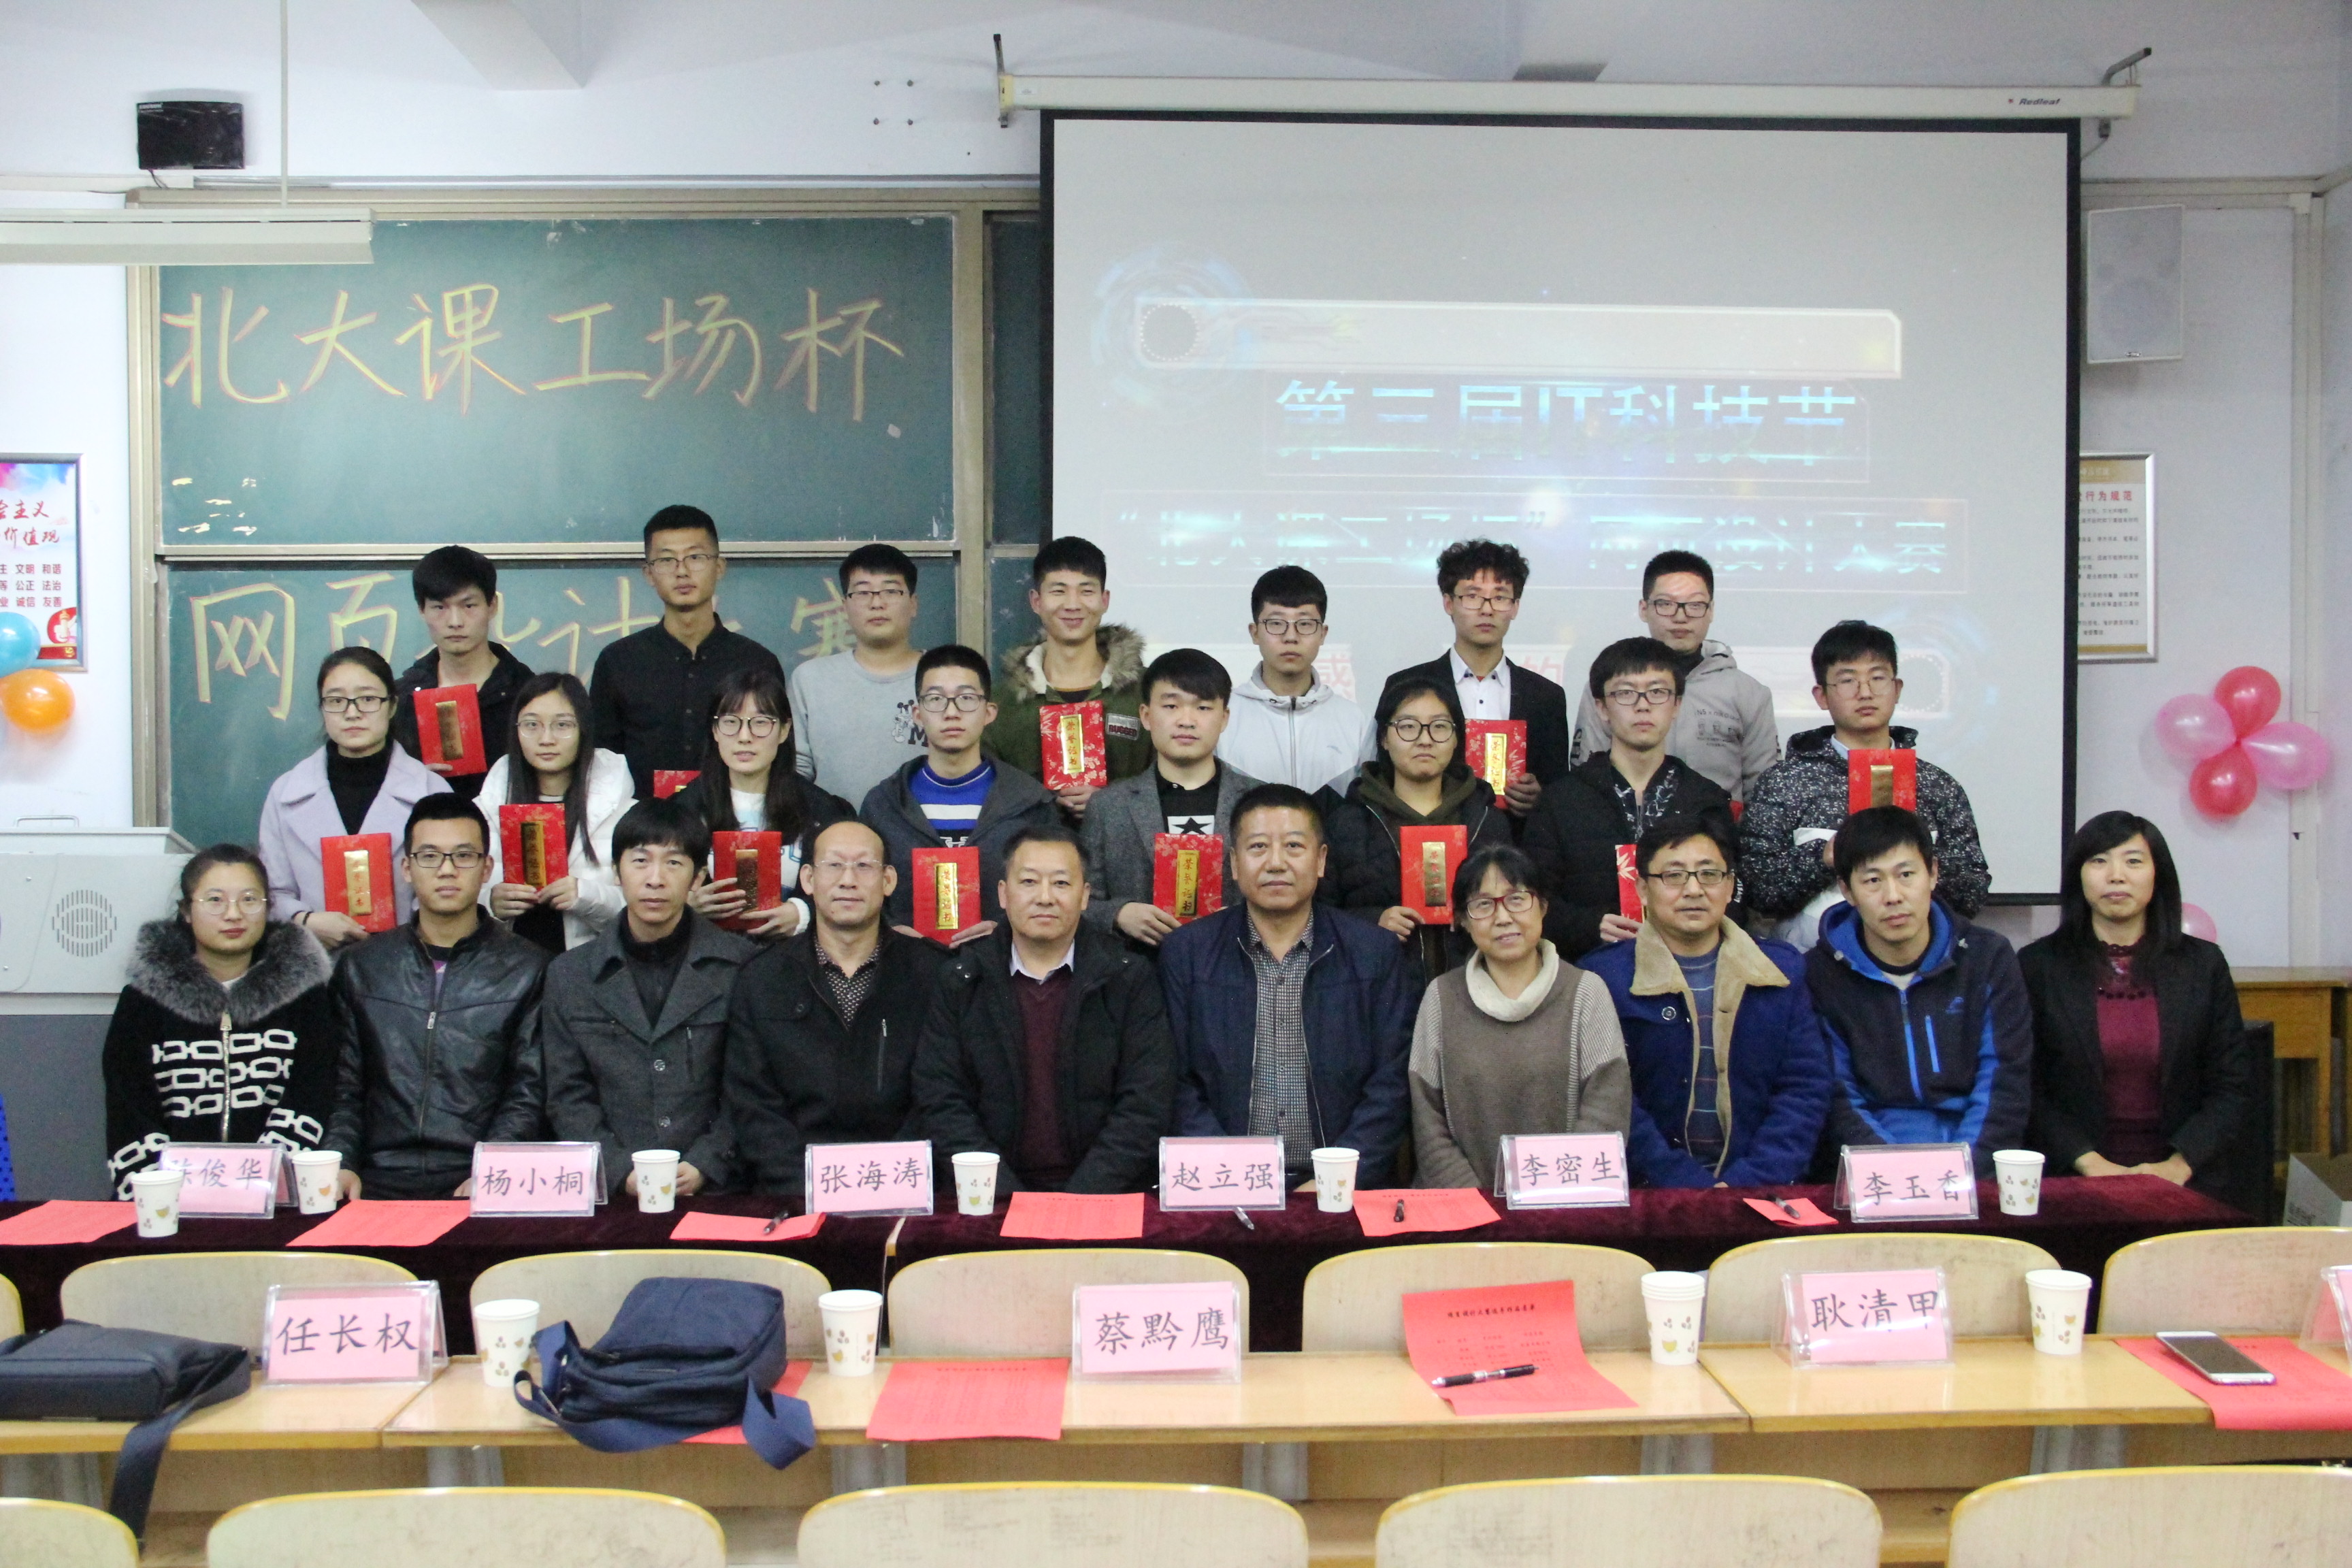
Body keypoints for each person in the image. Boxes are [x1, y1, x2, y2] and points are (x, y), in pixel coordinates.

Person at [1158, 785, 1420, 1186]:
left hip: (1340, 1186)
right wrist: (1229, 1174)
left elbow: (1392, 1081)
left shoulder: (1374, 952)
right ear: (1234, 864)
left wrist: (1338, 1176)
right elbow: (1172, 1080)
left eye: (1294, 846)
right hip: (1222, 1184)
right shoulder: (1186, 953)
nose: (1276, 863)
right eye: (1258, 847)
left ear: (1321, 860)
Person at [913, 826, 1176, 1193]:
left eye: (1061, 883)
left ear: (1085, 896)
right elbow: (941, 1100)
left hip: (1103, 1196)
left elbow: (1145, 1103)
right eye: (1029, 882)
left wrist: (1081, 1198)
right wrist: (1006, 1195)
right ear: (1003, 894)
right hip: (991, 1195)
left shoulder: (1128, 978)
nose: (1045, 898)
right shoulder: (962, 979)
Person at [2021, 811, 2257, 1211]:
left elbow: (2232, 1085)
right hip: (2072, 1178)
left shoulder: (2203, 965)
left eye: (2133, 861)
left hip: (2187, 1179)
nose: (2116, 876)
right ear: (2078, 876)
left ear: (2157, 875)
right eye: (2099, 861)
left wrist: (2178, 1167)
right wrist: (2092, 1165)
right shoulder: (2038, 966)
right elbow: (2027, 1086)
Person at [1584, 815, 1831, 1190]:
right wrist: (1684, 1185)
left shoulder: (1781, 970)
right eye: (1674, 876)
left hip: (1763, 1188)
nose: (1694, 890)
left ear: (1730, 886)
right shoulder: (1603, 978)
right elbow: (1611, 1100)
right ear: (1643, 889)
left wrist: (1753, 1180)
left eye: (1709, 874)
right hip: (1649, 1193)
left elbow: (1804, 1089)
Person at [327, 796, 549, 1199]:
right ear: (406, 868)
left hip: (477, 1178)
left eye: (463, 856)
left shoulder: (529, 968)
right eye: (429, 856)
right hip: (375, 1177)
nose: (447, 870)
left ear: (487, 869)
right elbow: (344, 1085)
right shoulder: (363, 966)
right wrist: (341, 1163)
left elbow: (527, 1090)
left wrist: (494, 1168)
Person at [540, 798, 757, 1198]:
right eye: (640, 861)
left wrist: (708, 1161)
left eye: (674, 863)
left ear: (698, 877)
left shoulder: (742, 967)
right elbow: (567, 1095)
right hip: (611, 1193)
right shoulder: (570, 975)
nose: (655, 879)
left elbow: (753, 1085)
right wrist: (619, 1171)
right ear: (616, 871)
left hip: (718, 1187)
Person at [103, 845, 345, 1197]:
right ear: (186, 911)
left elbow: (313, 1095)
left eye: (249, 900)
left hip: (274, 1198)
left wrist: (262, 1183)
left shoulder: (305, 998)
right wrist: (167, 1190)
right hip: (167, 1201)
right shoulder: (143, 1002)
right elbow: (129, 1111)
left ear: (268, 908)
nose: (234, 914)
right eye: (215, 900)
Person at [725, 819, 946, 1195]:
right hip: (796, 1190)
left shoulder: (933, 973)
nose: (848, 880)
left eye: (863, 866)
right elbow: (753, 1104)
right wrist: (807, 1184)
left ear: (888, 880)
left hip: (907, 1184)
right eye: (834, 865)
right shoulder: (762, 978)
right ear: (808, 879)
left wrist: (892, 1179)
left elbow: (942, 1093)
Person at [1740, 619, 1991, 950]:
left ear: (1897, 689)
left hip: (1921, 961)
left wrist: (1914, 863)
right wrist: (1824, 857)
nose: (1865, 692)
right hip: (1812, 962)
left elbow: (1971, 891)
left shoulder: (1937, 785)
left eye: (1878, 678)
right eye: (1847, 680)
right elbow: (1757, 889)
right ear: (1822, 696)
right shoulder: (1784, 783)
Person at [1807, 806, 2029, 1175]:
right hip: (1870, 1174)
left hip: (1972, 1166)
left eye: (1906, 875)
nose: (1893, 896)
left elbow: (2003, 1082)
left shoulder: (1988, 958)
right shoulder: (1820, 973)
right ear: (1847, 891)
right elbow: (1838, 1098)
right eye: (1872, 880)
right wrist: (1897, 1174)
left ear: (1933, 873)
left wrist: (1963, 1170)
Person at [1408, 845, 1631, 1192]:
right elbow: (1427, 1121)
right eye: (1483, 904)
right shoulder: (1441, 997)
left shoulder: (1586, 992)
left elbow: (1607, 1110)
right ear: (1462, 920)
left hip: (1565, 1205)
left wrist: (1550, 1202)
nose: (1503, 918)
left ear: (1543, 907)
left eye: (1517, 899)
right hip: (1465, 1210)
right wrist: (1478, 1204)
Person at [1523, 638, 1732, 960]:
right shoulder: (1561, 800)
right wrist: (1589, 926)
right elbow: (1531, 896)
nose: (1643, 705)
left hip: (1693, 965)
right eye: (1625, 693)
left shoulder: (1707, 800)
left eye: (1658, 692)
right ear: (1602, 708)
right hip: (1589, 968)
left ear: (1677, 705)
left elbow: (1734, 891)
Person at [1320, 674, 1512, 982]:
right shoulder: (1349, 822)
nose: (1425, 739)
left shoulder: (1486, 820)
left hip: (1474, 987)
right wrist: (1373, 922)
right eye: (1408, 726)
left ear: (1456, 739)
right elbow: (1317, 915)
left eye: (1440, 726)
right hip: (1380, 987)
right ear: (1384, 738)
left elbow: (1517, 906)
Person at [259, 646, 453, 947]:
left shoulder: (432, 791)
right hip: (315, 959)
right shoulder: (286, 793)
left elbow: (450, 886)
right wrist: (306, 921)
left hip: (409, 959)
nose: (352, 713)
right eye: (336, 701)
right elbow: (272, 893)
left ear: (392, 706)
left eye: (368, 699)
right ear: (323, 709)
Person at [589, 504, 785, 801]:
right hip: (642, 823)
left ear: (719, 567)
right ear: (649, 573)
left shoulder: (757, 663)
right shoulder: (618, 661)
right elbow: (601, 763)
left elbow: (778, 759)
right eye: (666, 560)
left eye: (695, 557)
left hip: (735, 822)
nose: (682, 571)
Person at [864, 644, 1058, 942]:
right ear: (917, 714)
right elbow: (861, 889)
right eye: (936, 699)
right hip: (905, 963)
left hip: (1003, 962)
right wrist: (886, 933)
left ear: (989, 712)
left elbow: (1057, 892)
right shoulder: (884, 805)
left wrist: (1008, 933)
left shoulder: (1031, 804)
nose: (951, 713)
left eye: (966, 699)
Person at [1080, 648, 1258, 949]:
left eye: (1203, 708)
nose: (1186, 721)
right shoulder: (1109, 807)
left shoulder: (1259, 802)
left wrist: (1243, 918)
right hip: (1137, 966)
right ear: (1146, 716)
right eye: (1171, 706)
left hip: (1236, 962)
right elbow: (1080, 900)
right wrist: (1118, 914)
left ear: (1224, 718)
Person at [1571, 550, 1779, 801]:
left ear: (1711, 610)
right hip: (1622, 823)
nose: (1681, 617)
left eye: (1695, 605)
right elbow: (1587, 776)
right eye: (1666, 604)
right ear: (1644, 609)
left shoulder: (1749, 693)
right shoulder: (1611, 683)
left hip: (1716, 824)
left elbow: (1766, 791)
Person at [1386, 538, 1571, 817]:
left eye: (1500, 597)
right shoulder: (1406, 686)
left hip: (1514, 838)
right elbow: (1384, 776)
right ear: (1449, 603)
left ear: (1515, 607)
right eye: (1472, 596)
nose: (1487, 609)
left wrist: (1540, 797)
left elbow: (1559, 787)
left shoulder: (1546, 696)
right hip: (1428, 833)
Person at [680, 668, 853, 941]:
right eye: (730, 722)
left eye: (760, 723)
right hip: (709, 956)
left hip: (796, 956)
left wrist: (803, 912)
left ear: (784, 730)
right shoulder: (682, 810)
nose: (744, 736)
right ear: (715, 731)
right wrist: (687, 907)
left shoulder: (823, 810)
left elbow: (853, 882)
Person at [981, 535, 1150, 816]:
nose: (1073, 605)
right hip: (1032, 842)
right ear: (1036, 601)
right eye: (1058, 591)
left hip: (1125, 843)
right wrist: (1043, 800)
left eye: (1086, 591)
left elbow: (1172, 779)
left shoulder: (1146, 692)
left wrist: (1111, 801)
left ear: (1105, 600)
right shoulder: (1003, 702)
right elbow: (988, 792)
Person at [481, 672, 634, 954]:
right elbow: (451, 898)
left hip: (591, 965)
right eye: (531, 725)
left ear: (584, 729)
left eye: (562, 725)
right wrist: (489, 904)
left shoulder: (624, 812)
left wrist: (585, 895)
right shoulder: (486, 808)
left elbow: (646, 907)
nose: (546, 739)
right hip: (506, 967)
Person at [389, 545, 535, 804]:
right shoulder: (399, 700)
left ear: (492, 605)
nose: (455, 621)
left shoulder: (530, 695)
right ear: (422, 610)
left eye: (469, 605)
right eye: (439, 608)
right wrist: (410, 782)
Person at [789, 543, 929, 804]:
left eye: (891, 591)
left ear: (913, 604)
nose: (877, 603)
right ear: (845, 606)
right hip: (833, 827)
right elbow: (797, 772)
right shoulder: (810, 680)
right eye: (863, 592)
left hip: (924, 829)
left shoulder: (945, 679)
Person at [1220, 564, 1371, 792]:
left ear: (1323, 634)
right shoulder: (1222, 718)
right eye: (1276, 623)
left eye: (1305, 624)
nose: (1291, 637)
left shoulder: (1357, 723)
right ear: (1254, 633)